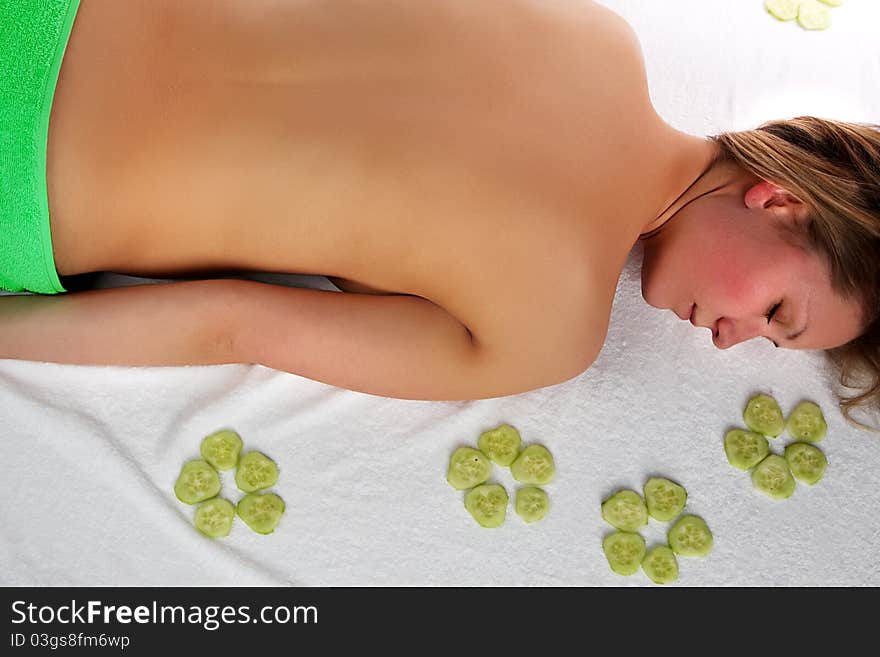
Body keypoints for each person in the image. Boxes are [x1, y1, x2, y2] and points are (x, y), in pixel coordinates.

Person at [2, 1, 879, 428]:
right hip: (26, 186)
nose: (730, 340)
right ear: (782, 201)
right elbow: (233, 325)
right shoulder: (548, 332)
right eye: (777, 316)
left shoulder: (593, 36)